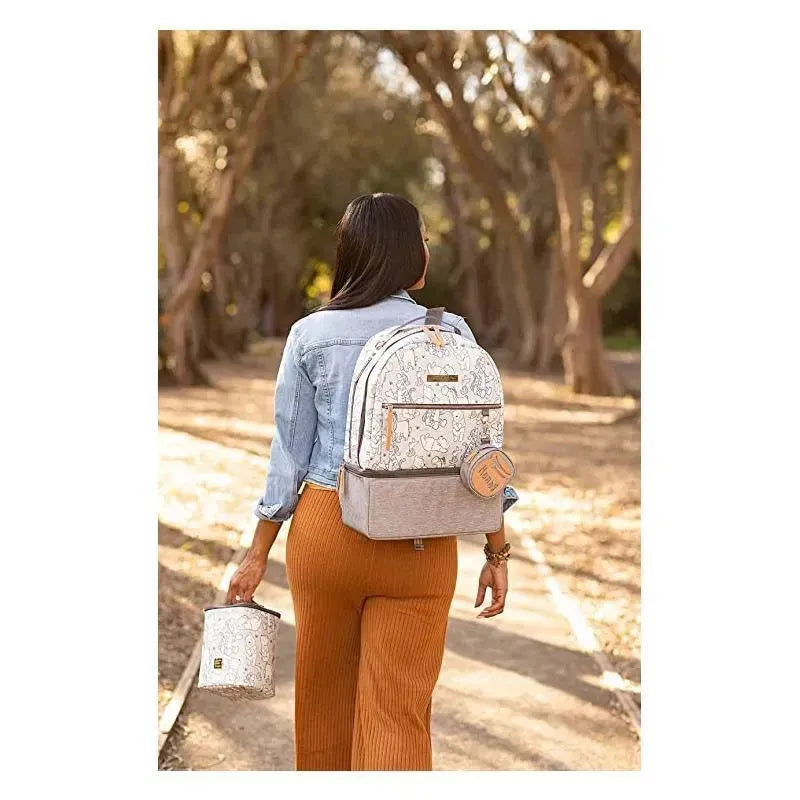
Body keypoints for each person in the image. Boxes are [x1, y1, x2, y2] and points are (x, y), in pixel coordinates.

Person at [227, 192, 513, 771]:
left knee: (324, 702)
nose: (428, 251)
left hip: (327, 530)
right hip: (420, 540)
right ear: (408, 254)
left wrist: (256, 554)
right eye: (423, 241)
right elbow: (478, 453)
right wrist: (496, 549)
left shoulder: (311, 335)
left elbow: (288, 457)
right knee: (398, 715)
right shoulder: (450, 334)